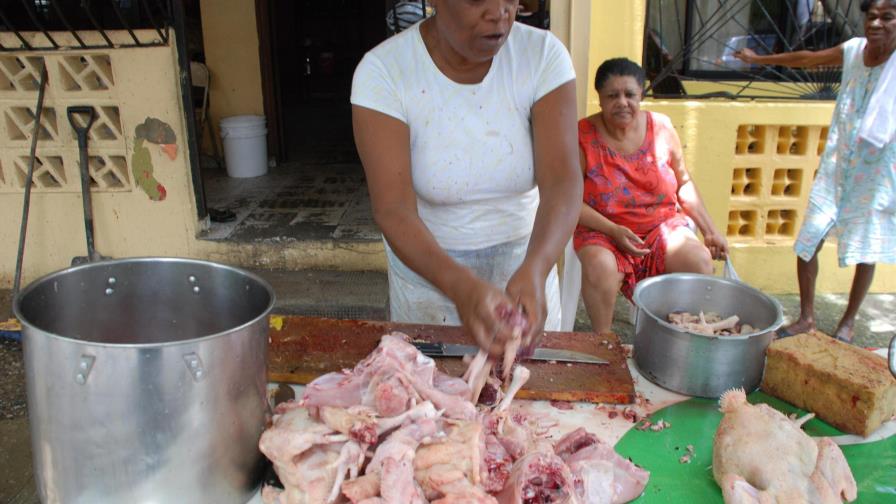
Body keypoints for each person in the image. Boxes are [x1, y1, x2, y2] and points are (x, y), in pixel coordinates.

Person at [351, 0, 582, 355]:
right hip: (430, 282)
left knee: (526, 400)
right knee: (429, 399)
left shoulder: (542, 56)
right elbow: (393, 208)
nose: (499, 12)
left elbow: (563, 183)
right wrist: (462, 287)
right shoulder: (384, 71)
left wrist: (536, 267)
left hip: (525, 276)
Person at [735, 0, 896, 342]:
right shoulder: (853, 51)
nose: (877, 23)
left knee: (865, 248)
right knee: (808, 241)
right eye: (871, 16)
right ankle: (807, 317)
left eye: (888, 17)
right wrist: (759, 60)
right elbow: (807, 58)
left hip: (877, 170)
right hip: (837, 165)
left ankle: (847, 323)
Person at [574, 58, 729, 334]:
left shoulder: (661, 127)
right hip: (604, 229)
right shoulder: (582, 136)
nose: (622, 102)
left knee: (699, 262)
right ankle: (603, 340)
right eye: (612, 95)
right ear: (599, 99)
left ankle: (680, 335)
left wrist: (710, 230)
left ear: (641, 96)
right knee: (601, 266)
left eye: (630, 94)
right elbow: (569, 199)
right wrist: (613, 229)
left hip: (660, 227)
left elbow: (683, 183)